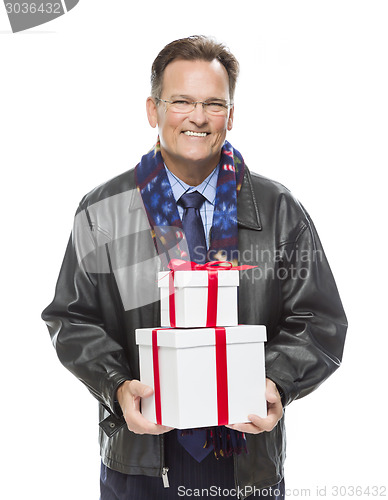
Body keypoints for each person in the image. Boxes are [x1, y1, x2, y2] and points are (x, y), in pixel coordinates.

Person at [42, 35, 347, 499]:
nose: (199, 117)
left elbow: (320, 320)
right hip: (141, 453)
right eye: (182, 101)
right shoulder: (104, 210)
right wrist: (118, 387)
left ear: (231, 113)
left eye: (214, 104)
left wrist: (275, 384)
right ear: (153, 109)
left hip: (246, 454)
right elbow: (72, 319)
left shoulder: (279, 209)